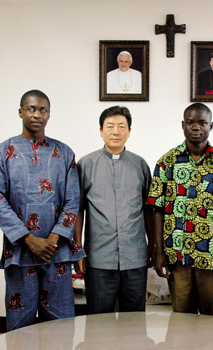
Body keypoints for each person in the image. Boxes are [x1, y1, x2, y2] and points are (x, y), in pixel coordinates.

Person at [0, 90, 85, 331]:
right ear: (20, 112)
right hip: (21, 253)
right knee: (20, 327)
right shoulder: (1, 152)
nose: (37, 114)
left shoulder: (64, 152)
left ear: (49, 115)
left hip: (57, 253)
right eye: (31, 109)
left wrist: (52, 240)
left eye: (42, 110)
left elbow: (73, 200)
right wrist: (29, 240)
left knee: (61, 325)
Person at [147, 103, 213, 316]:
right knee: (181, 319)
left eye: (202, 123)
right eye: (190, 122)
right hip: (177, 255)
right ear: (182, 125)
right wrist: (158, 252)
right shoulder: (166, 162)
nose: (195, 127)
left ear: (211, 126)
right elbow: (157, 210)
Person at [74, 106, 153, 314]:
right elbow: (77, 211)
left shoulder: (140, 165)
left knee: (134, 321)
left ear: (129, 130)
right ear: (101, 130)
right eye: (110, 126)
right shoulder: (86, 165)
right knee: (98, 321)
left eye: (121, 127)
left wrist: (152, 245)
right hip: (98, 258)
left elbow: (149, 210)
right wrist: (78, 249)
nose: (115, 132)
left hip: (134, 257)